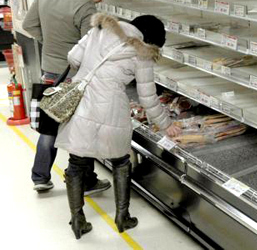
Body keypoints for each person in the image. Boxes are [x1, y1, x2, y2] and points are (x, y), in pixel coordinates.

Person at [55, 12, 182, 239]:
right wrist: (166, 124)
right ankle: (122, 216)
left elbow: (73, 57)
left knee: (76, 163)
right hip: (111, 108)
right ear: (151, 38)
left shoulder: (99, 30)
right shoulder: (143, 51)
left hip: (81, 102)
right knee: (121, 161)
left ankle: (77, 220)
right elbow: (147, 97)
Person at [22, 0, 116, 193]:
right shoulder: (86, 7)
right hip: (74, 76)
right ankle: (86, 181)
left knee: (49, 126)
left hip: (49, 71)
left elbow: (28, 25)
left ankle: (40, 177)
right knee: (82, 129)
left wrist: (52, 44)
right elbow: (90, 47)